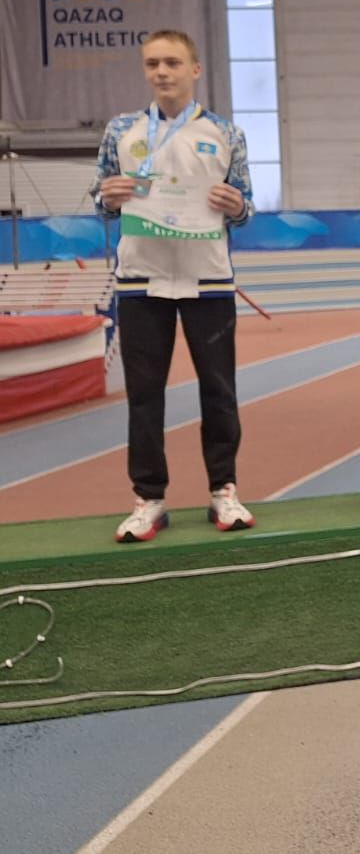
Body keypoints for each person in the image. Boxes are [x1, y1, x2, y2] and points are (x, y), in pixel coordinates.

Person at [93, 29, 256, 542]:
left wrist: (237, 206)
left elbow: (246, 205)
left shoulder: (226, 132)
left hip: (209, 279)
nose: (162, 72)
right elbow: (102, 199)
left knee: (219, 391)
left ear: (194, 70)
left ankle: (223, 491)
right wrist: (108, 197)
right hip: (139, 281)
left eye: (172, 62)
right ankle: (149, 499)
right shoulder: (121, 130)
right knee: (144, 395)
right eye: (153, 63)